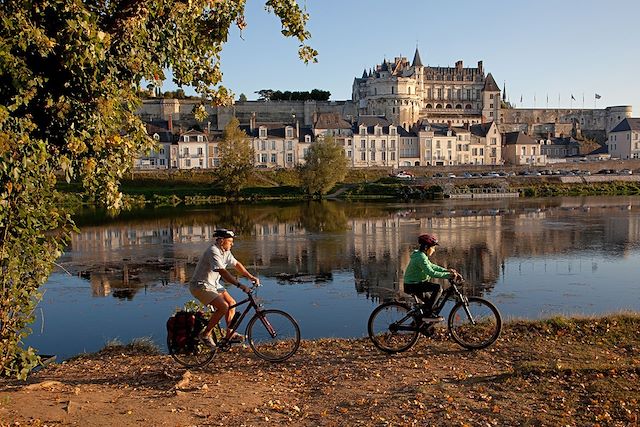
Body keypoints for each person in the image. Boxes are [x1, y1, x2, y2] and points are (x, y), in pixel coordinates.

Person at [189, 228, 260, 347]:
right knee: (223, 307)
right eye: (230, 241)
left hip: (214, 285)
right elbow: (223, 272)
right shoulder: (213, 251)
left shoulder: (225, 251)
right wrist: (241, 286)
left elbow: (236, 264)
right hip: (200, 285)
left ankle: (229, 334)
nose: (232, 244)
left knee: (232, 303)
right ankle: (205, 334)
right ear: (222, 241)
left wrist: (250, 276)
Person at [403, 233, 461, 322]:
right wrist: (448, 276)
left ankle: (419, 324)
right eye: (433, 248)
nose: (434, 250)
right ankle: (427, 316)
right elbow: (431, 272)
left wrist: (447, 271)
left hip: (416, 283)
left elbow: (432, 266)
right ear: (426, 247)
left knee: (431, 304)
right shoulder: (420, 257)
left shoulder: (422, 256)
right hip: (413, 285)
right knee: (438, 288)